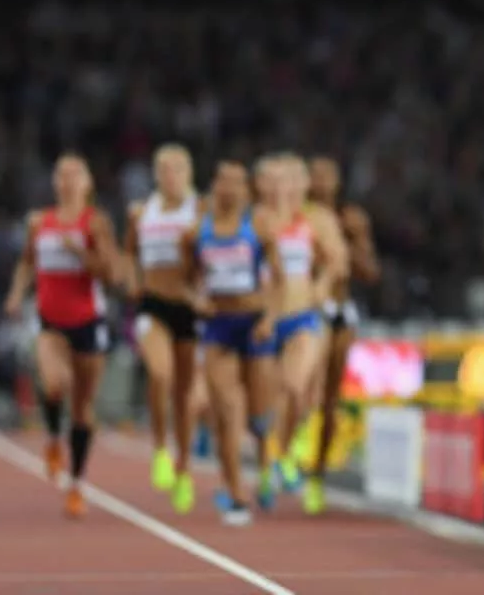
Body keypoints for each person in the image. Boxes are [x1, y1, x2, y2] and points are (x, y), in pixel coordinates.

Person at [4, 152, 120, 517]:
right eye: (61, 174)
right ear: (54, 182)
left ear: (87, 183)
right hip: (50, 321)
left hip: (88, 322)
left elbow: (112, 273)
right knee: (55, 384)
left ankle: (76, 485)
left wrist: (82, 254)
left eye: (74, 174)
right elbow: (27, 261)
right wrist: (16, 293)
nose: (67, 180)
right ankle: (54, 437)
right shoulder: (40, 222)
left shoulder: (95, 222)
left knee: (83, 409)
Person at [180, 159, 286, 525]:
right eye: (223, 182)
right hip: (218, 327)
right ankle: (236, 493)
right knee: (226, 411)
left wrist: (270, 318)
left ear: (246, 190)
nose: (229, 189)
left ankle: (267, 463)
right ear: (214, 186)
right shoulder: (197, 231)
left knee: (258, 416)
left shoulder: (258, 226)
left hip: (253, 325)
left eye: (237, 183)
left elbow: (279, 280)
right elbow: (185, 281)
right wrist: (197, 300)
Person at [253, 153, 349, 493]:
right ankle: (269, 461)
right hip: (262, 321)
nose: (284, 188)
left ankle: (284, 455)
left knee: (296, 389)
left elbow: (337, 260)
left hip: (302, 317)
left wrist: (322, 284)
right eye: (276, 180)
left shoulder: (315, 219)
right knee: (267, 402)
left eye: (291, 180)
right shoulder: (256, 220)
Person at [123, 143, 202, 513]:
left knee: (184, 396)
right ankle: (159, 449)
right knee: (160, 373)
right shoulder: (142, 212)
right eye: (164, 169)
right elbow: (129, 253)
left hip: (188, 306)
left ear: (189, 173)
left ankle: (184, 469)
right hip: (153, 303)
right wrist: (133, 280)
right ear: (156, 175)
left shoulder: (199, 210)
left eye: (178, 169)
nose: (171, 176)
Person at [305, 155, 380, 514]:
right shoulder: (297, 218)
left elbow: (370, 272)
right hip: (305, 312)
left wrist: (349, 244)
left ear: (337, 182)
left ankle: (317, 475)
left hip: (339, 310)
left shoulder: (351, 219)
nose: (321, 182)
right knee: (305, 388)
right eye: (315, 175)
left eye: (327, 176)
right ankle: (289, 454)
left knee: (330, 400)